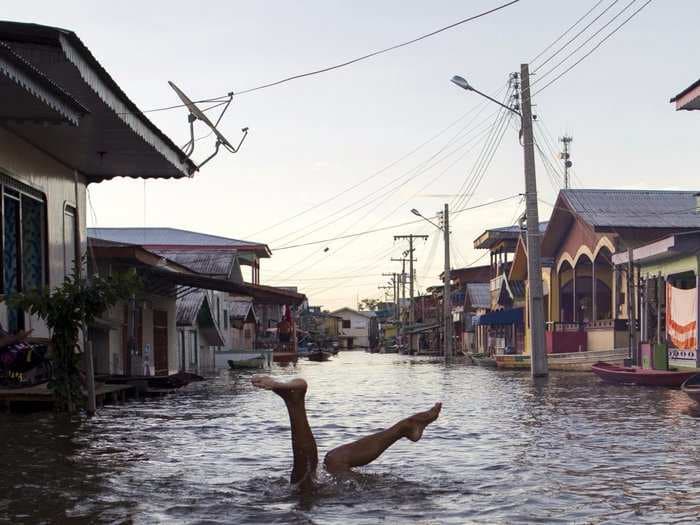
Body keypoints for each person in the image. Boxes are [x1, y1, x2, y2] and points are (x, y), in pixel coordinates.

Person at [251, 375, 441, 493]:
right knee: (333, 461)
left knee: (304, 488)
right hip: (358, 491)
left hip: (351, 495)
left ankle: (295, 403)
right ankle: (404, 427)